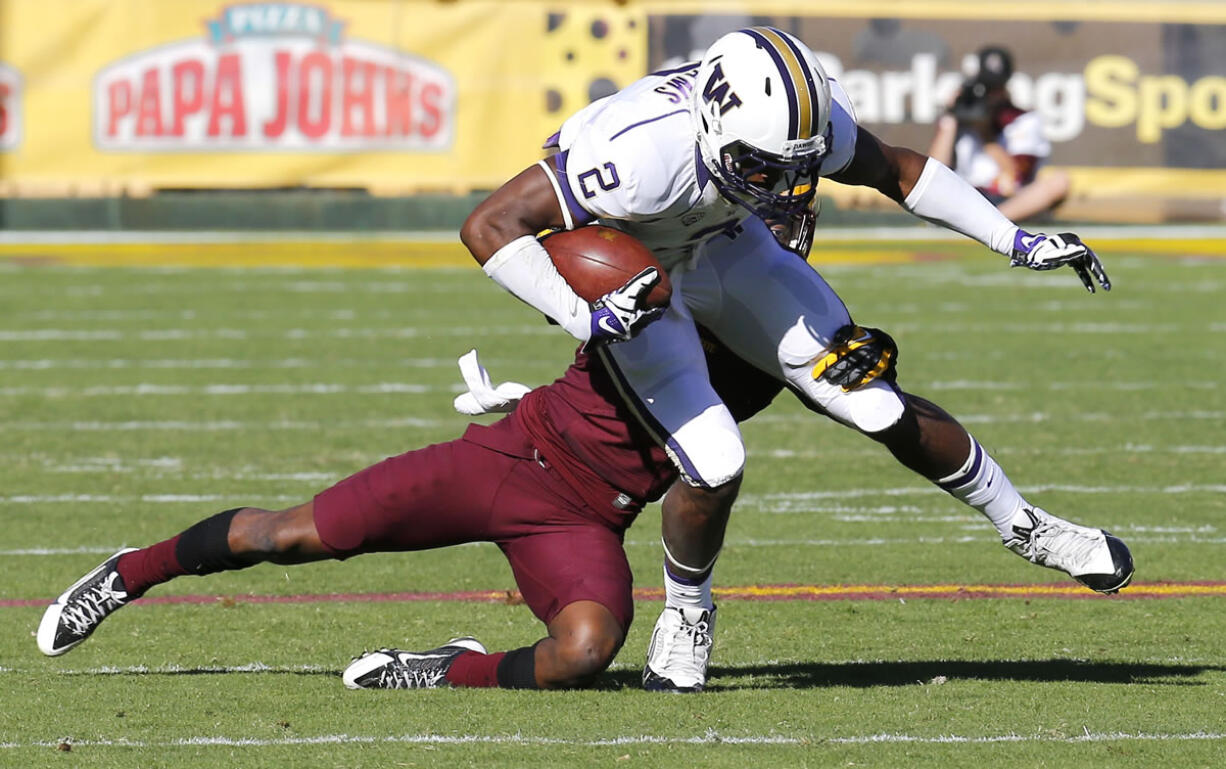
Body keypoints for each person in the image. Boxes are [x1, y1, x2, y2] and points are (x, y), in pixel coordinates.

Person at [459, 26, 1133, 694]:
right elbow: (490, 225)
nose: (782, 183)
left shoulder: (792, 123)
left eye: (794, 167)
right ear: (715, 123)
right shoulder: (638, 154)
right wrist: (587, 314)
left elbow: (898, 170)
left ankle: (1026, 524)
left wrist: (1014, 239)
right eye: (765, 165)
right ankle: (688, 614)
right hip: (638, 268)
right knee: (715, 459)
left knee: (869, 394)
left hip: (726, 241)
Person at [36, 337, 784, 691]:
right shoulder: (666, 268)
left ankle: (444, 668)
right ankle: (126, 574)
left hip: (585, 519)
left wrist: (856, 359)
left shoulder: (777, 339)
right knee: (287, 535)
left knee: (585, 651)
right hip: (509, 459)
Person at [928, 45, 1070, 222]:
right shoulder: (960, 119)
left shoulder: (1023, 119)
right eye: (986, 88)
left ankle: (987, 224)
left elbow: (1016, 179)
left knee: (1059, 182)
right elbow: (933, 172)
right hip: (964, 196)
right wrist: (951, 119)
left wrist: (986, 135)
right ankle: (977, 224)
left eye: (997, 88)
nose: (993, 96)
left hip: (1005, 202)